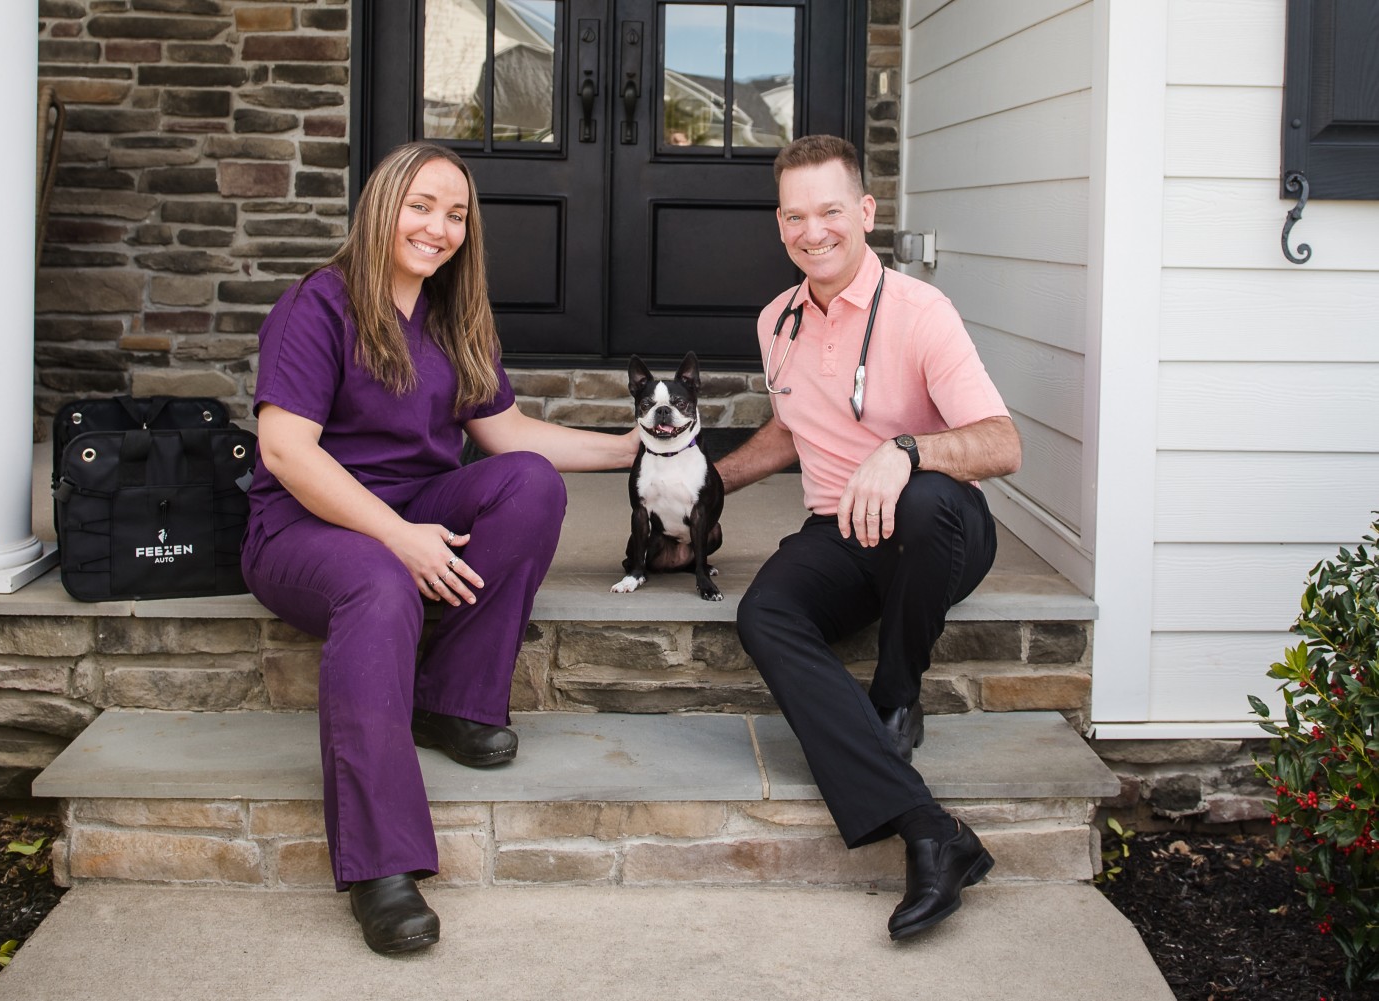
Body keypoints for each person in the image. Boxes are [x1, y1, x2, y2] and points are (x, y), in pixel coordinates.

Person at [241, 141, 638, 955]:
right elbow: (287, 451)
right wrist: (395, 536)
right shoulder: (316, 304)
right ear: (383, 206)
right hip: (305, 527)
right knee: (382, 582)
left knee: (529, 483)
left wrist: (635, 449)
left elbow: (508, 435)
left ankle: (453, 700)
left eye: (456, 214)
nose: (439, 227)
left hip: (415, 507)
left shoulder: (456, 314)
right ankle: (381, 869)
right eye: (423, 206)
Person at [716, 134, 1022, 940]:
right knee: (765, 613)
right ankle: (930, 830)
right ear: (779, 222)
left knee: (922, 503)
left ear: (866, 213)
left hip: (941, 529)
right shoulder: (775, 320)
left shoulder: (922, 313)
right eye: (794, 216)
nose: (812, 231)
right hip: (840, 530)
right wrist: (710, 487)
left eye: (829, 211)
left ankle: (896, 692)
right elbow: (790, 430)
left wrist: (908, 450)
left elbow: (1002, 442)